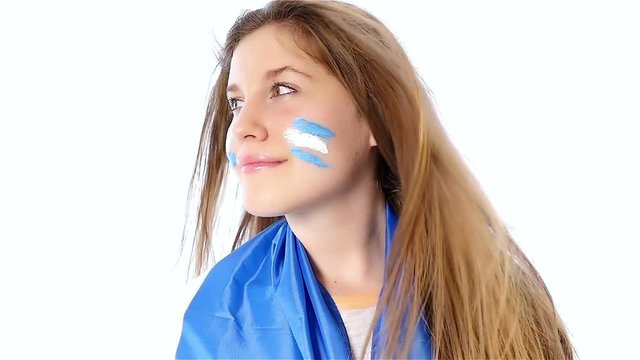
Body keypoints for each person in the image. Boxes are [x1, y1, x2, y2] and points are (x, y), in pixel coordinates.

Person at [175, 1, 575, 358]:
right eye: (236, 102)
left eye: (282, 89)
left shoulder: (492, 296)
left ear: (374, 118)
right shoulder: (222, 316)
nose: (243, 126)